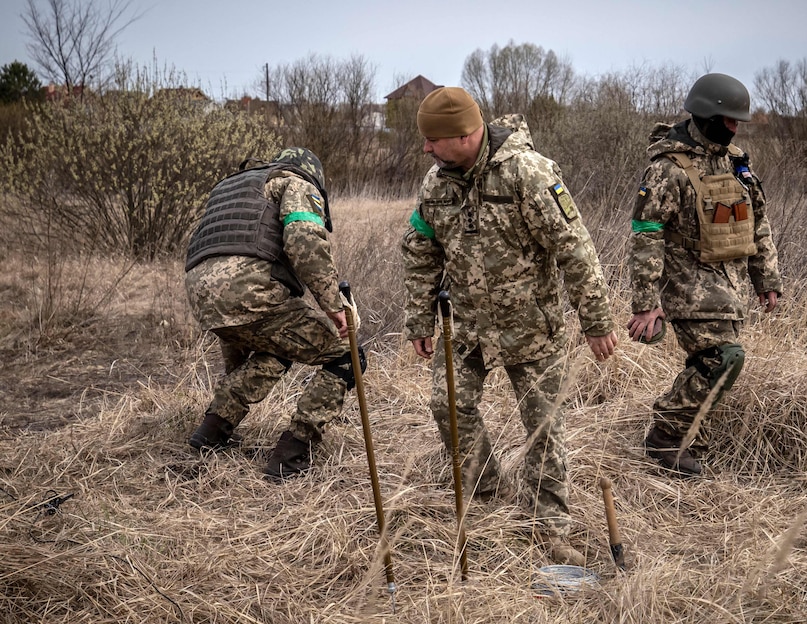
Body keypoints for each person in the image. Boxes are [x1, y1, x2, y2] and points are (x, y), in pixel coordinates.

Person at [401, 87, 618, 566]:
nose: (426, 148)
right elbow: (420, 251)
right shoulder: (436, 184)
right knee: (447, 403)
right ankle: (488, 491)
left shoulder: (528, 173)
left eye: (433, 140)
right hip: (466, 327)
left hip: (531, 327)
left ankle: (550, 528)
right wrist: (419, 318)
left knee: (543, 427)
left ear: (464, 135)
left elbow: (575, 248)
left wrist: (596, 319)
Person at [626, 73, 783, 476]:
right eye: (728, 121)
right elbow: (646, 236)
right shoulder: (667, 170)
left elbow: (757, 223)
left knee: (711, 363)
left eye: (737, 122)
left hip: (729, 286)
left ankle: (691, 436)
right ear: (706, 115)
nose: (734, 129)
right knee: (722, 358)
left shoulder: (736, 163)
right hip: (687, 286)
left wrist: (766, 279)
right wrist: (646, 303)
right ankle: (665, 436)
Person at [184, 147, 364, 480]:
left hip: (201, 294)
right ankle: (292, 453)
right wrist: (333, 304)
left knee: (277, 348)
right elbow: (304, 240)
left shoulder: (235, 187)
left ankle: (211, 431)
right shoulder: (296, 182)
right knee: (347, 356)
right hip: (251, 291)